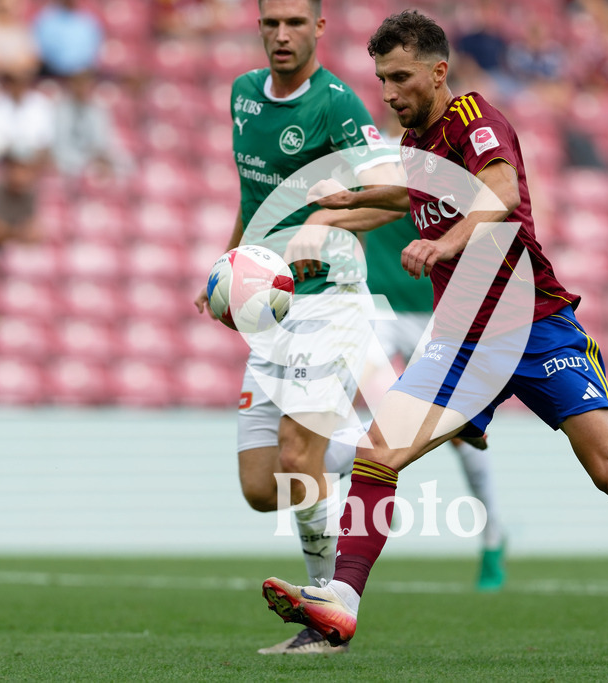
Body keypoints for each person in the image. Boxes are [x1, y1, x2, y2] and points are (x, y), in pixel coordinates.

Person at [260, 10, 608, 647]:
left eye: (402, 77)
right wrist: (335, 214)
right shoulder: (416, 146)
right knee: (377, 453)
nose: (390, 93)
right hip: (460, 341)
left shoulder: (475, 121)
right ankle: (344, 601)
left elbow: (499, 192)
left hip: (536, 326)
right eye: (383, 79)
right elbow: (403, 200)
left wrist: (446, 245)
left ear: (439, 73)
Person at [191, 0, 402, 655]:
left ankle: (324, 618)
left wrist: (327, 223)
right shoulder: (243, 95)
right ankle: (367, 453)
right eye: (270, 23)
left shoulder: (337, 104)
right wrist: (229, 267)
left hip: (330, 300)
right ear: (259, 28)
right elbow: (252, 196)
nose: (281, 35)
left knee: (294, 453)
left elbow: (397, 194)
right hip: (273, 310)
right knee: (262, 486)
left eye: (293, 23)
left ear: (319, 28)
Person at [364, 212, 506, 591]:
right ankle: (375, 492)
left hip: (439, 310)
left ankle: (492, 537)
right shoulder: (362, 157)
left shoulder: (439, 160)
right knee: (361, 397)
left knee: (462, 437)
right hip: (378, 305)